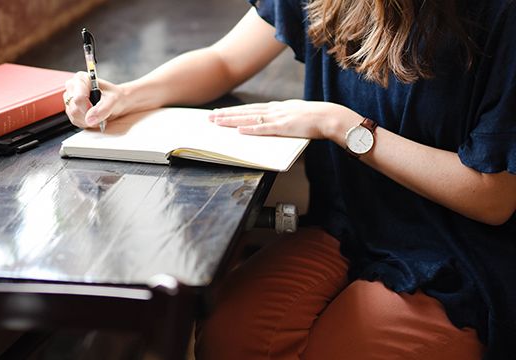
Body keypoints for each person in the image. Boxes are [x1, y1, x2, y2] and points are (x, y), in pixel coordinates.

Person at [64, 0, 516, 358]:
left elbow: (494, 197)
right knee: (230, 337)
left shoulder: (500, 16)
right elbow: (224, 60)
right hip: (348, 227)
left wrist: (342, 125)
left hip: (462, 255)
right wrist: (128, 94)